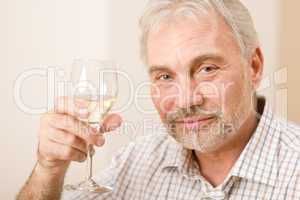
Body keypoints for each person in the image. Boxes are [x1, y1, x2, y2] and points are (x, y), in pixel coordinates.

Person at [16, 0, 300, 199]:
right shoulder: (139, 158)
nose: (186, 100)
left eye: (207, 69)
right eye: (165, 77)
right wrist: (48, 170)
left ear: (254, 67)